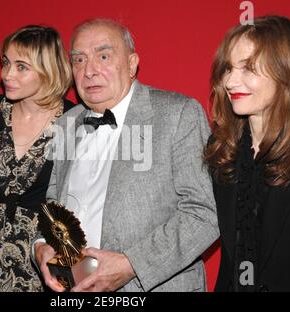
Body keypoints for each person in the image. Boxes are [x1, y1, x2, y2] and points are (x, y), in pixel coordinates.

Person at [34, 18, 219, 292]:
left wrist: (132, 264)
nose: (89, 71)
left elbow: (204, 213)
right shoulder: (66, 123)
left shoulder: (178, 114)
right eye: (79, 60)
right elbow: (53, 202)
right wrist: (42, 246)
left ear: (132, 64)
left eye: (104, 56)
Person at [204, 15, 290, 291]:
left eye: (248, 69)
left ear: (285, 73)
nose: (231, 81)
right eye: (228, 69)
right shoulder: (222, 150)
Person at [0, 25, 73, 292]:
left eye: (22, 66)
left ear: (48, 69)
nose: (7, 74)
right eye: (6, 63)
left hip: (42, 253)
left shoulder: (73, 120)